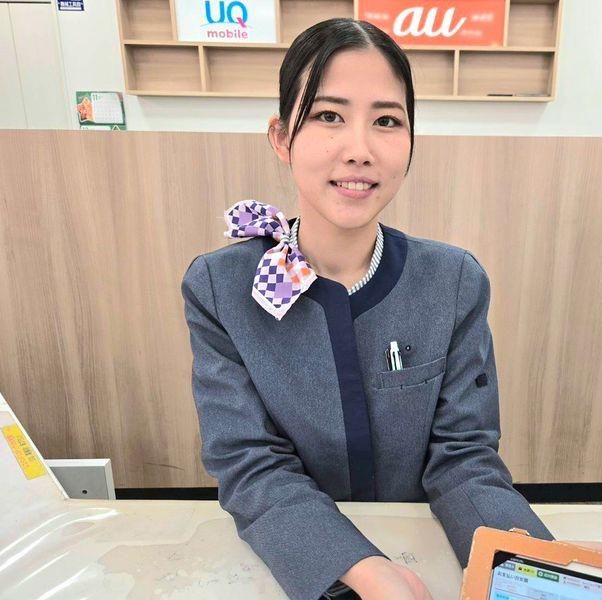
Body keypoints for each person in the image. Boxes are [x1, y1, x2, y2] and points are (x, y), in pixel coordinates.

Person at [180, 17, 556, 600]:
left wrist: (533, 567)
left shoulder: (453, 280)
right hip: (297, 562)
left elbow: (463, 457)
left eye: (386, 121)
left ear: (410, 142)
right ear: (281, 137)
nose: (359, 150)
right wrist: (359, 567)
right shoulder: (220, 287)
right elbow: (249, 463)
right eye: (329, 116)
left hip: (429, 552)